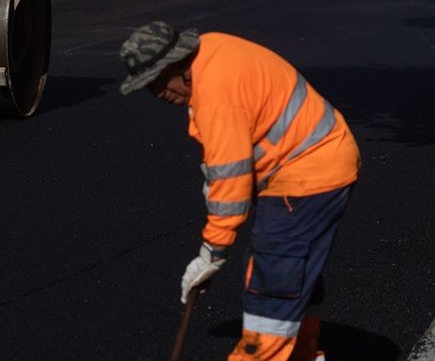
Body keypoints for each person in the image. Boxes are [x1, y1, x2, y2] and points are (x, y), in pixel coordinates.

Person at [119, 22, 360, 361]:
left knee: (275, 276)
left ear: (178, 64)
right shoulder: (211, 53)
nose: (159, 93)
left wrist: (212, 252)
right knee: (295, 269)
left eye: (159, 81)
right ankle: (303, 354)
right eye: (148, 87)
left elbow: (231, 180)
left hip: (307, 173)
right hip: (318, 159)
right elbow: (227, 158)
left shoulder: (215, 91)